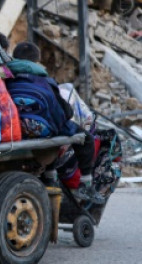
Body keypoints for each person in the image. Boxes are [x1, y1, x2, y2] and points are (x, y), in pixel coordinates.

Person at [9, 41, 102, 204]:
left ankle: (50, 177)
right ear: (37, 61)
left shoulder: (7, 80)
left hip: (14, 130)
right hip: (42, 130)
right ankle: (86, 184)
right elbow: (64, 112)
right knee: (84, 138)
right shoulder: (45, 82)